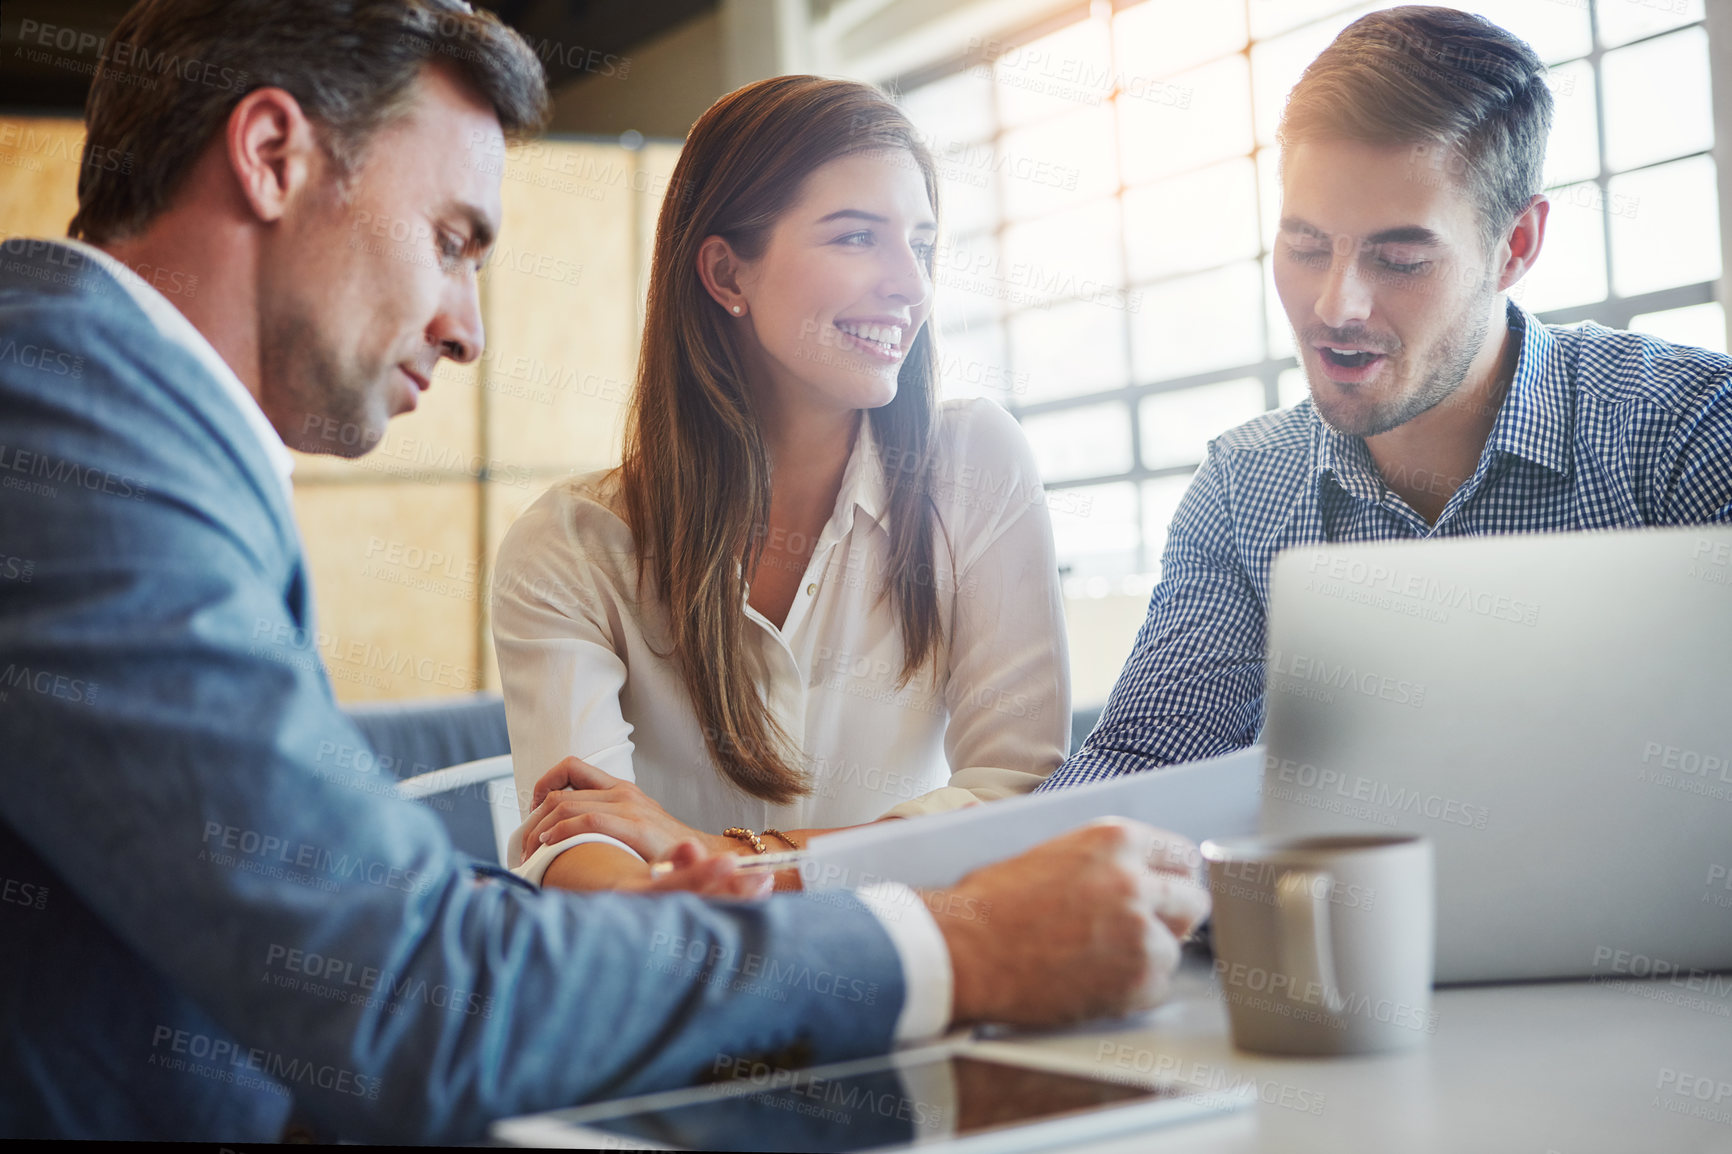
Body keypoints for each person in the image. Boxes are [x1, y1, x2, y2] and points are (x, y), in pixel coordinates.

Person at [0, 1, 1208, 1143]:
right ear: (271, 154)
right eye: (452, 240)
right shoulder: (63, 423)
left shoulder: (104, 411)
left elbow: (360, 922)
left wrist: (704, 897)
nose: (468, 326)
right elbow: (412, 987)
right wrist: (956, 938)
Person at [1039, 4, 1732, 790]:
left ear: (1516, 247)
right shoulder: (1243, 487)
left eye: (1399, 259)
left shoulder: (1691, 430)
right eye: (1304, 247)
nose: (1337, 307)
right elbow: (1145, 762)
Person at [492, 76, 1070, 892]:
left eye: (923, 245)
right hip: (679, 989)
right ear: (727, 275)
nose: (912, 285)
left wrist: (720, 853)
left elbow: (1019, 799)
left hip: (918, 978)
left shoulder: (974, 463)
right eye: (857, 238)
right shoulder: (570, 547)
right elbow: (577, 845)